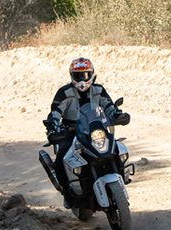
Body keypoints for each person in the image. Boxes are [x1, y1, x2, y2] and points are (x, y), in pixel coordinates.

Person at [45, 57, 122, 206]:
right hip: (71, 131)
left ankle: (120, 175)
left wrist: (117, 114)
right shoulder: (64, 92)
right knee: (61, 159)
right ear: (71, 75)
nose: (82, 79)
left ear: (91, 74)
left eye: (85, 75)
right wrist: (53, 125)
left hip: (94, 129)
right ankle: (67, 193)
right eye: (78, 75)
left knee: (116, 148)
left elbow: (108, 106)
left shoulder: (98, 90)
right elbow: (56, 111)